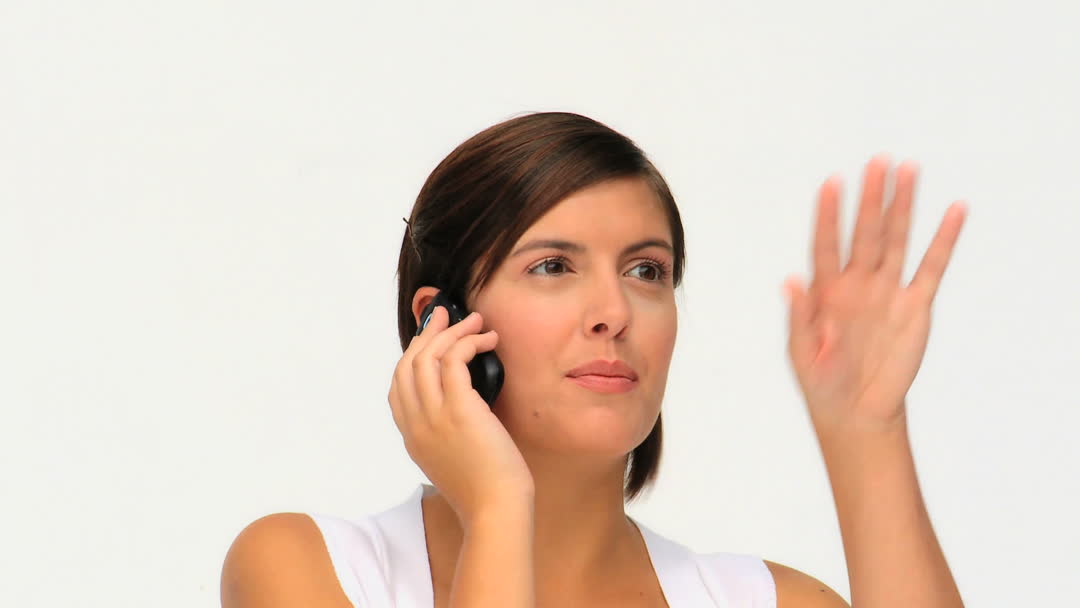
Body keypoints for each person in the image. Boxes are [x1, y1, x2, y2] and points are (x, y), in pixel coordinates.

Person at [220, 111, 969, 607]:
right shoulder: (307, 570)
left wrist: (865, 432)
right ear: (439, 322)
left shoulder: (766, 601)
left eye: (647, 270)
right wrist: (497, 509)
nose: (615, 311)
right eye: (553, 266)